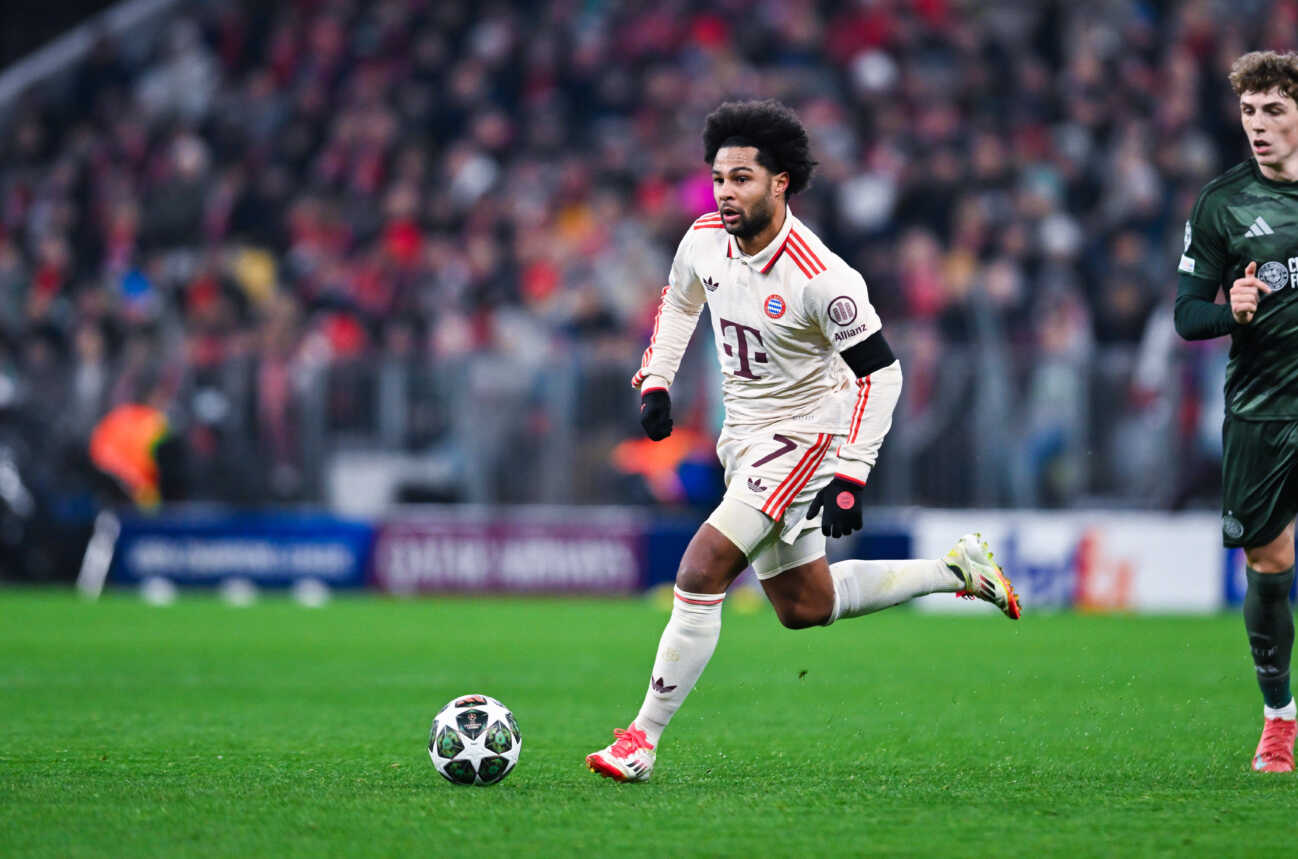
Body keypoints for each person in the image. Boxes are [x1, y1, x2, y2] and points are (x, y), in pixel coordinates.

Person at [585, 100, 1020, 783]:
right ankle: (958, 571)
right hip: (746, 439)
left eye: (742, 179)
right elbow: (678, 302)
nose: (726, 193)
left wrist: (851, 472)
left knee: (701, 570)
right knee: (803, 606)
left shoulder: (824, 278)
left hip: (808, 437)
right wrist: (656, 381)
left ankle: (640, 738)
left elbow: (882, 373)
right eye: (719, 179)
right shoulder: (702, 240)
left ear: (780, 182)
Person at [1174, 51, 1298, 773]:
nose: (1258, 124)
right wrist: (1231, 308)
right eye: (1250, 111)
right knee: (1268, 560)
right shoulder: (1222, 203)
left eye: (1274, 110)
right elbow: (1187, 314)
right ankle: (1279, 719)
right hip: (1262, 407)